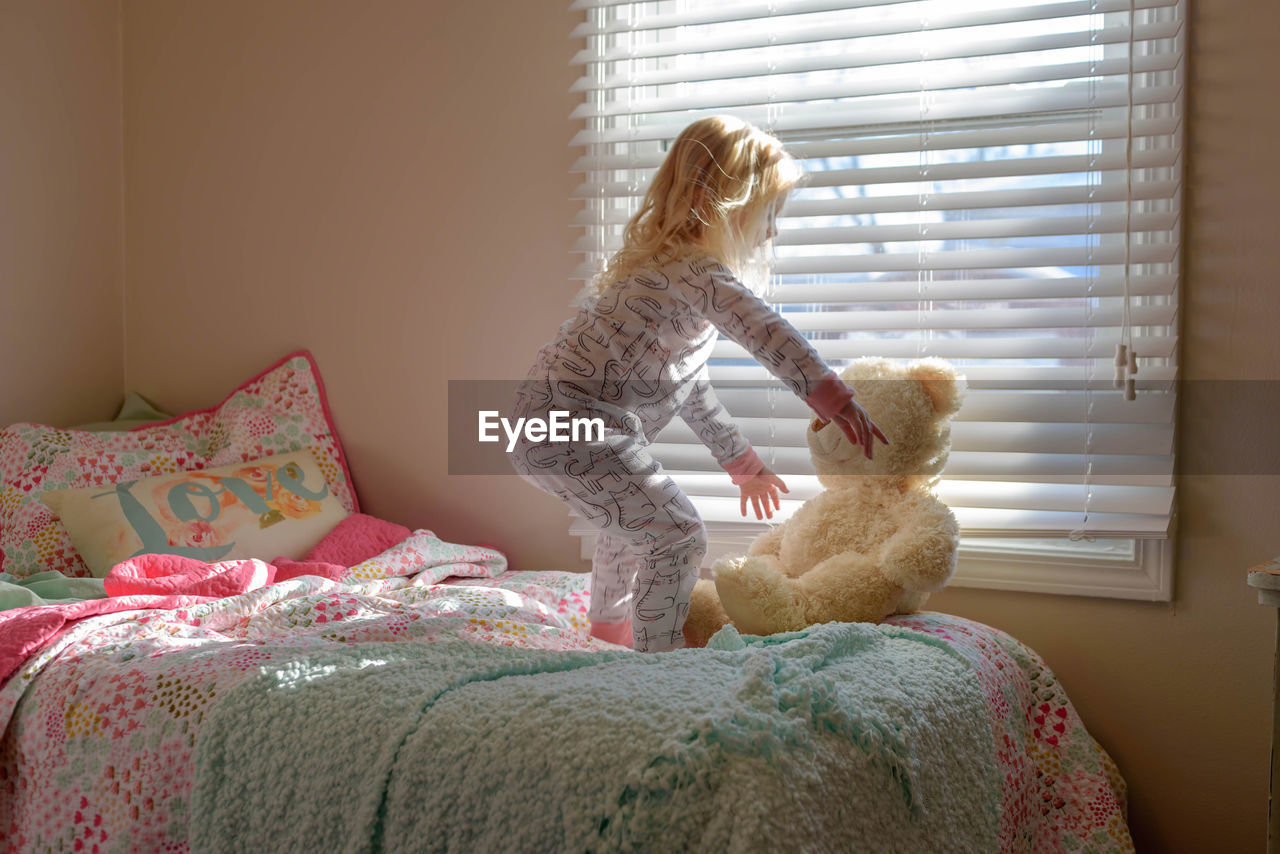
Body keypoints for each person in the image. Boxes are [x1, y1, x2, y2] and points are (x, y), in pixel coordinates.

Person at [507, 115, 887, 653]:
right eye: (768, 214)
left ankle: (608, 638)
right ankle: (660, 663)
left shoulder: (662, 277)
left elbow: (690, 388)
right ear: (727, 204)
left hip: (541, 425)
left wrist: (743, 464)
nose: (772, 231)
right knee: (678, 534)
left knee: (629, 524)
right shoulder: (694, 272)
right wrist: (829, 395)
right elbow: (764, 330)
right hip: (570, 423)